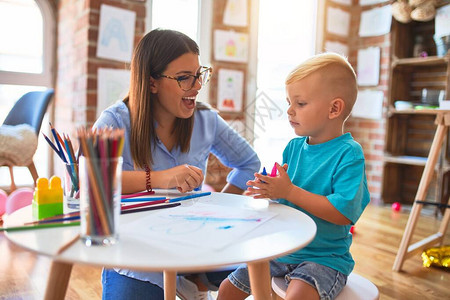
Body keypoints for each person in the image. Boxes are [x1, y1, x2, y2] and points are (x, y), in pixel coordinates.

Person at [94, 28, 260, 300]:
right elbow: (94, 181)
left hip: (194, 245)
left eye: (198, 76)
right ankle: (190, 283)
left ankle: (193, 281)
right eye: (184, 78)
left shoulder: (206, 120)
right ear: (151, 83)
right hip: (136, 256)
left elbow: (249, 164)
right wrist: (161, 178)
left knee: (266, 265)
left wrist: (218, 211)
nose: (196, 87)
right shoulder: (115, 122)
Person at [218, 53, 370, 300]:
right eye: (289, 101)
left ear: (334, 108)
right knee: (226, 289)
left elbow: (344, 213)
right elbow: (284, 199)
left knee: (296, 296)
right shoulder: (293, 147)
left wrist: (289, 191)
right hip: (282, 250)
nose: (289, 110)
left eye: (300, 104)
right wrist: (269, 192)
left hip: (323, 259)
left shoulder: (349, 154)